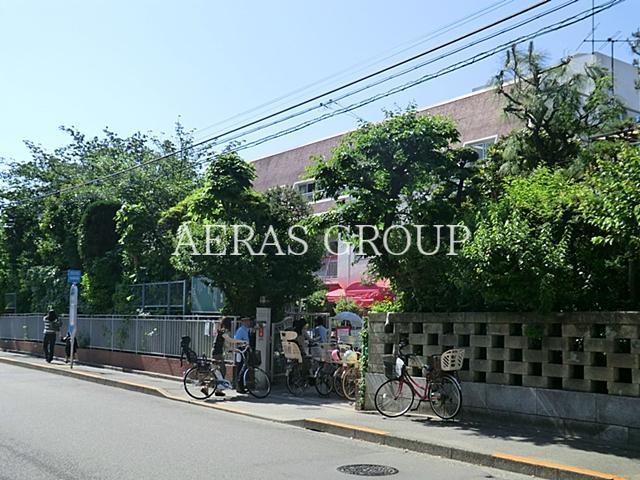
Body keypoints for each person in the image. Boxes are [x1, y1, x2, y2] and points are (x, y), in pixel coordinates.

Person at [210, 317, 243, 397]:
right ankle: (207, 387)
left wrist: (234, 350)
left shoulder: (221, 332)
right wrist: (242, 341)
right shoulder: (222, 332)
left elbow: (226, 346)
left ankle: (217, 390)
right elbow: (230, 340)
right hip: (217, 354)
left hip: (217, 353)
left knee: (218, 372)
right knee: (220, 372)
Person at [233, 317, 252, 393]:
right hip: (241, 351)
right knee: (240, 368)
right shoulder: (241, 330)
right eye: (247, 321)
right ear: (243, 322)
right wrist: (243, 344)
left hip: (245, 351)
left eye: (249, 321)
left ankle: (243, 386)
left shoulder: (247, 330)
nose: (248, 322)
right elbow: (236, 340)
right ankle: (239, 387)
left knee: (244, 368)